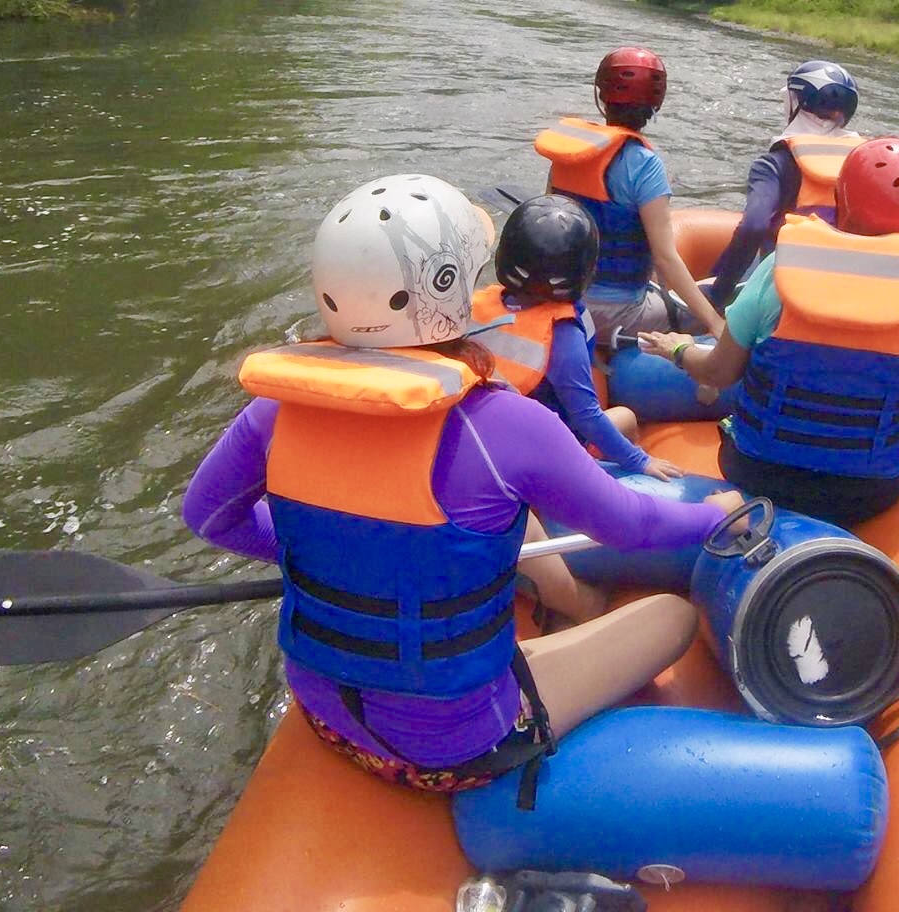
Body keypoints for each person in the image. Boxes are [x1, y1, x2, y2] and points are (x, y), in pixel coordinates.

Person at [184, 173, 741, 797]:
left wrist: (308, 552)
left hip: (326, 719)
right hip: (457, 747)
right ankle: (570, 611)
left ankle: (562, 609)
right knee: (668, 619)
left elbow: (208, 517)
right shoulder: (507, 424)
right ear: (445, 289)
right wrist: (715, 514)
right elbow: (631, 526)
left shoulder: (272, 412)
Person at [639, 139, 899, 528]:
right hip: (870, 492)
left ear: (844, 203)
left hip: (758, 472)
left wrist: (680, 349)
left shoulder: (777, 274)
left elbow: (718, 373)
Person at [472, 193, 684, 481]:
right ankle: (618, 476)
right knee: (626, 417)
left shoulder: (478, 306)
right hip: (546, 455)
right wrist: (639, 462)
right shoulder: (563, 334)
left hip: (483, 440)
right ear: (582, 271)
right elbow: (586, 415)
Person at [535, 46, 723, 344]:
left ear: (602, 96)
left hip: (563, 301)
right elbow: (665, 258)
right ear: (656, 102)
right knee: (711, 302)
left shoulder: (568, 151)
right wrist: (715, 323)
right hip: (618, 312)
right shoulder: (644, 165)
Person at [706, 60, 863, 309]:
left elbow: (753, 227)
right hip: (844, 287)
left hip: (783, 290)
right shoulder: (864, 162)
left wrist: (718, 295)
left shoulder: (773, 164)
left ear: (796, 103)